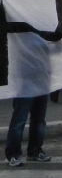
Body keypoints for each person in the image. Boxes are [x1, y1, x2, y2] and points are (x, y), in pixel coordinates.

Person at [5, 34, 53, 167]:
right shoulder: (20, 35)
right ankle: (13, 154)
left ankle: (35, 151)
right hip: (25, 82)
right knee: (19, 119)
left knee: (38, 119)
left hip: (42, 80)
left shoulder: (42, 32)